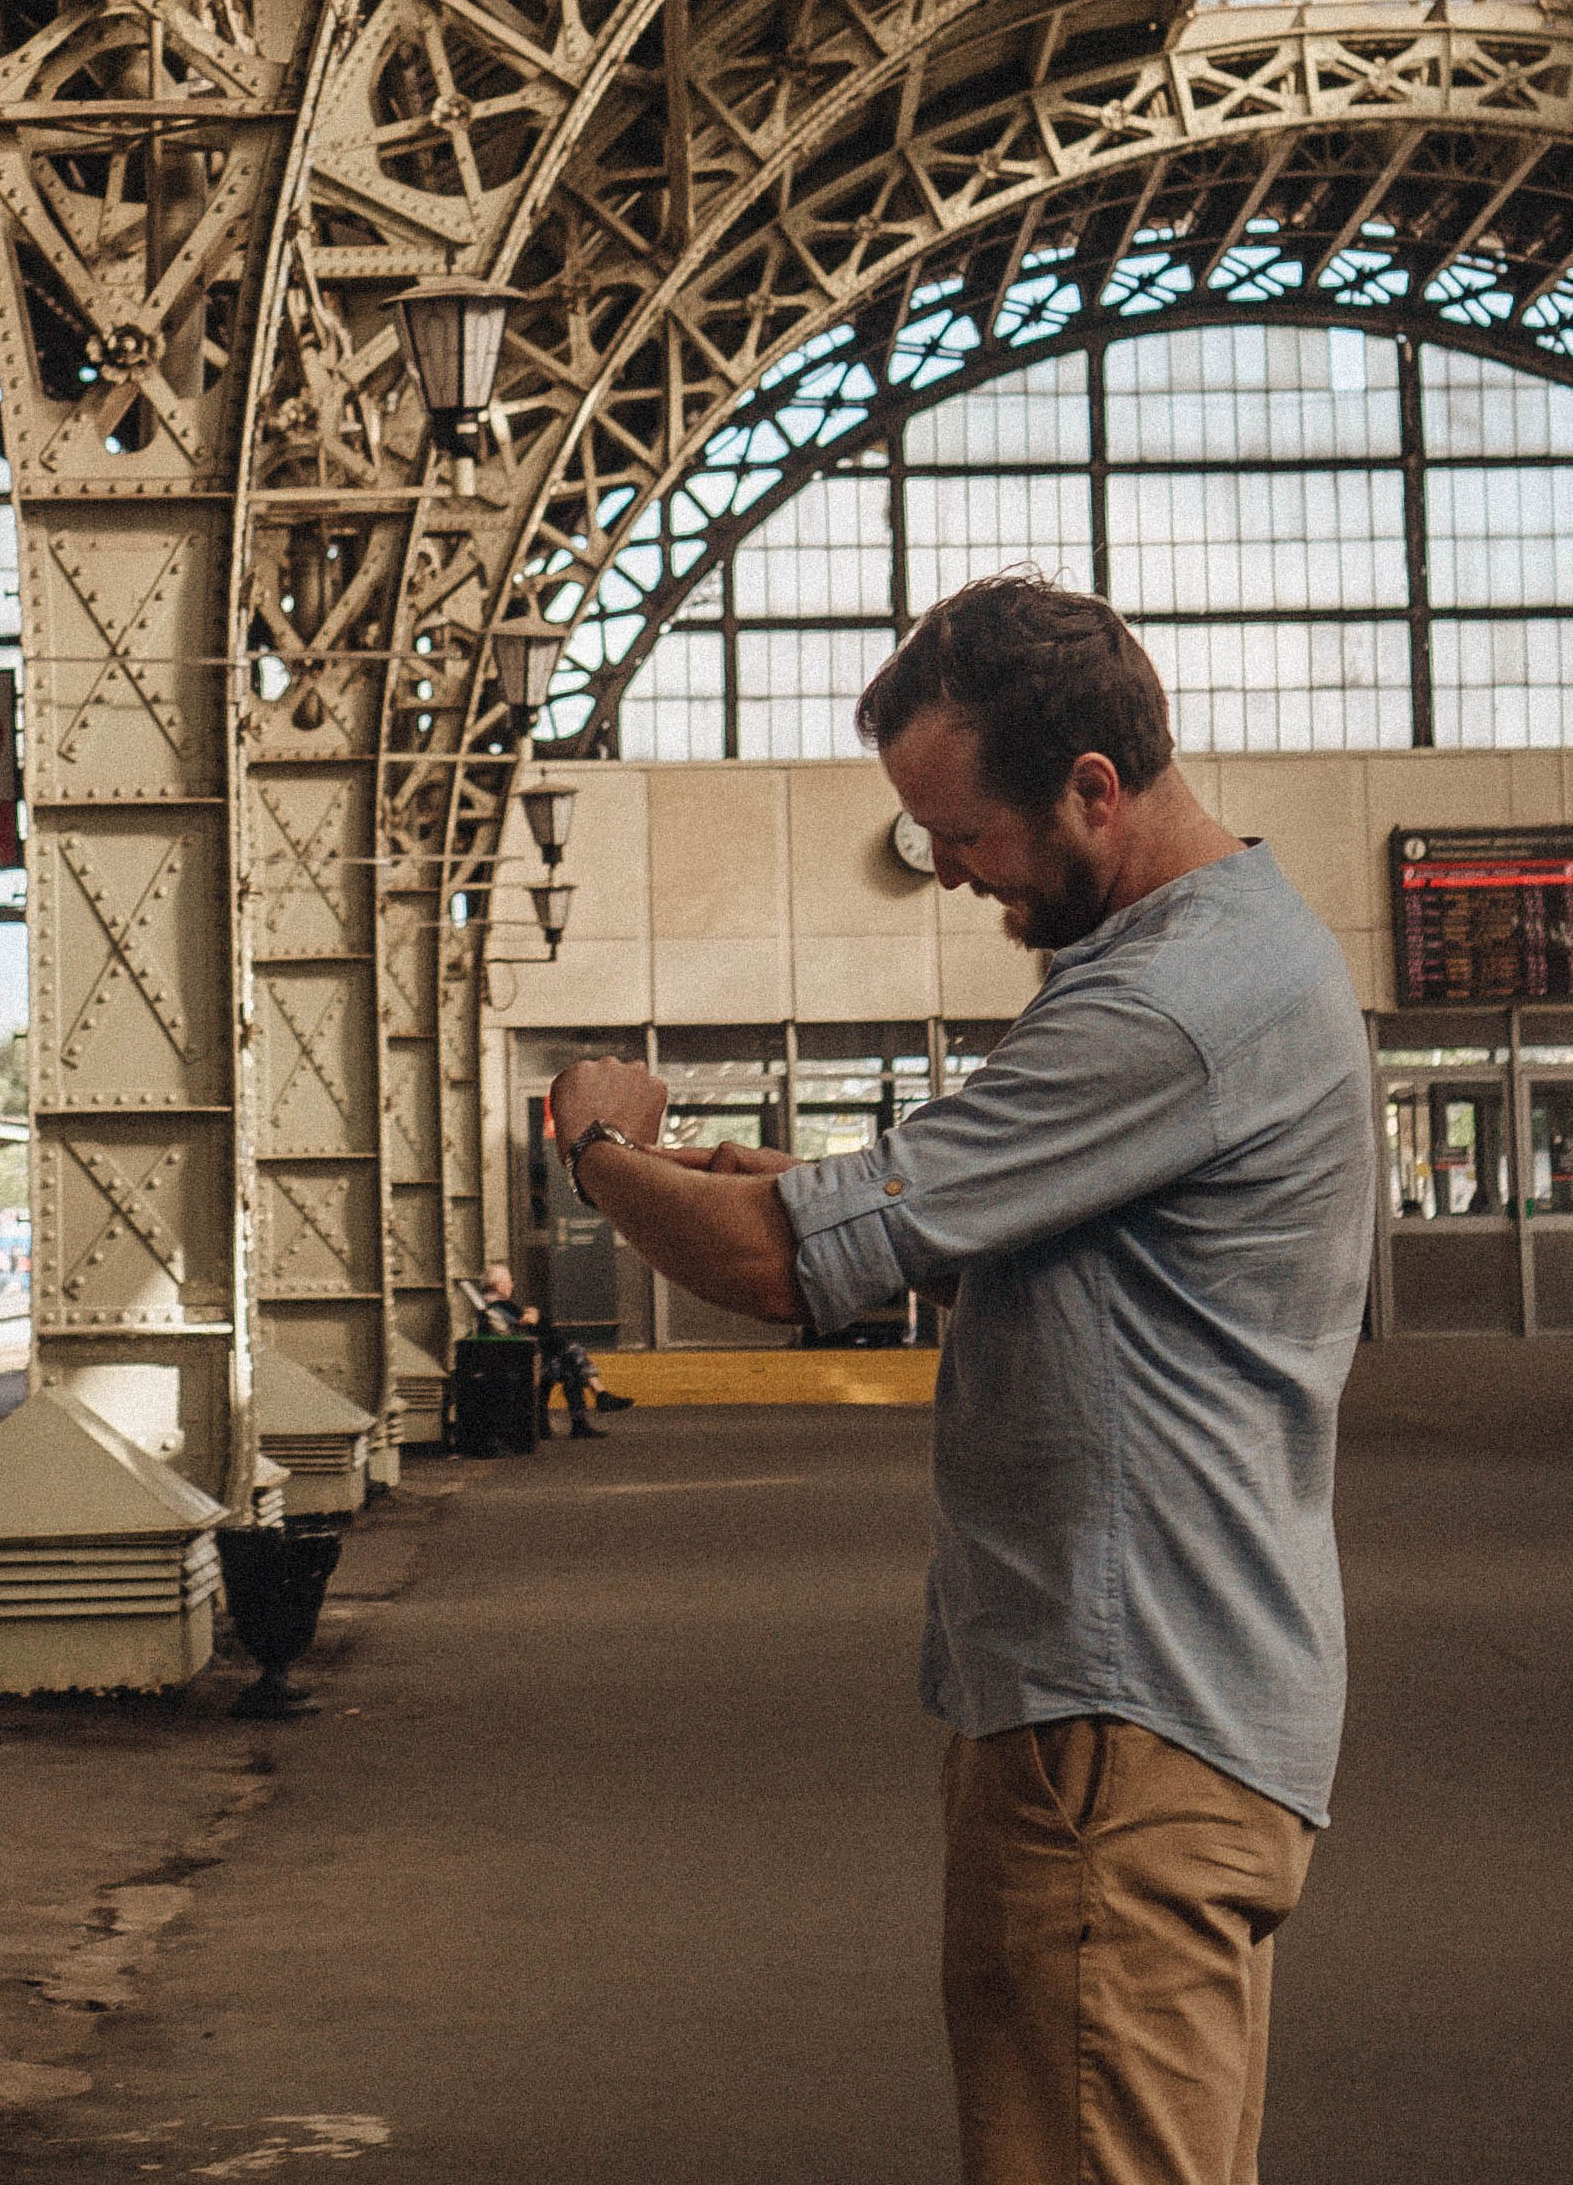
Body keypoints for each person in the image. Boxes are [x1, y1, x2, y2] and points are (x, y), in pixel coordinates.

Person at [546, 574, 1373, 2185]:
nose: (943, 871)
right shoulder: (1227, 958)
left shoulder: (1164, 1003)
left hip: (1116, 1731)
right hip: (1166, 1705)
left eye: (961, 832)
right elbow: (990, 1218)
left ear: (1091, 787)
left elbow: (785, 1265)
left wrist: (593, 1144)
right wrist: (753, 1171)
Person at [473, 1259, 632, 1439]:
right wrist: (535, 1315)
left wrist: (536, 1318)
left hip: (518, 1359)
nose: (512, 1284)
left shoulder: (490, 1306)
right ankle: (595, 1401)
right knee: (572, 1358)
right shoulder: (500, 1305)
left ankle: (597, 1399)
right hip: (522, 1363)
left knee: (569, 1359)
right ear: (499, 1286)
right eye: (509, 1280)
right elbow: (530, 1322)